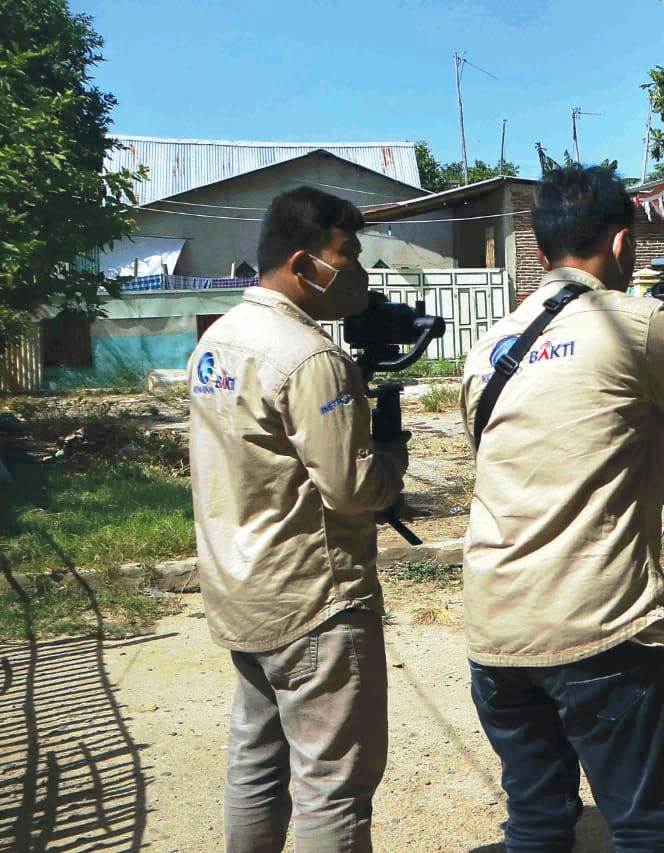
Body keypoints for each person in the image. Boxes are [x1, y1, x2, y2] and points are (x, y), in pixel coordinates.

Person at [458, 163, 664, 852]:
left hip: (495, 627)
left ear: (539, 249)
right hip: (595, 624)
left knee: (536, 822)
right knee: (649, 831)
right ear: (623, 245)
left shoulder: (490, 343)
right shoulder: (635, 323)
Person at [188, 187, 409, 852]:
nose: (361, 269)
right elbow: (349, 488)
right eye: (349, 253)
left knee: (257, 762)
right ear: (303, 262)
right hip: (314, 600)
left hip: (240, 589)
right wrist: (392, 462)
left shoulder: (218, 339)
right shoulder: (311, 357)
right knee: (332, 787)